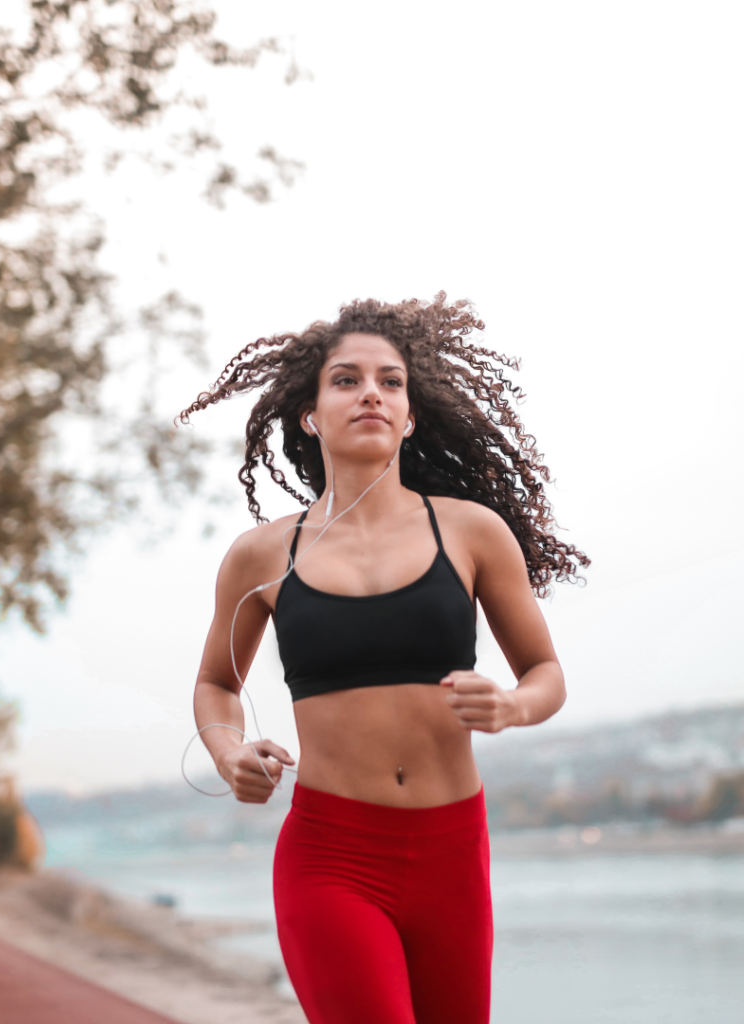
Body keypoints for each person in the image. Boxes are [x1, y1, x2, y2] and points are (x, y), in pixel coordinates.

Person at [182, 293, 588, 1024]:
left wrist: (511, 704)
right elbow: (217, 683)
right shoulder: (261, 556)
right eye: (345, 379)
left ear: (409, 414)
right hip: (331, 857)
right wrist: (226, 751)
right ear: (309, 414)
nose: (370, 391)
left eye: (390, 381)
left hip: (451, 853)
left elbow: (546, 674)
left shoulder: (471, 533)